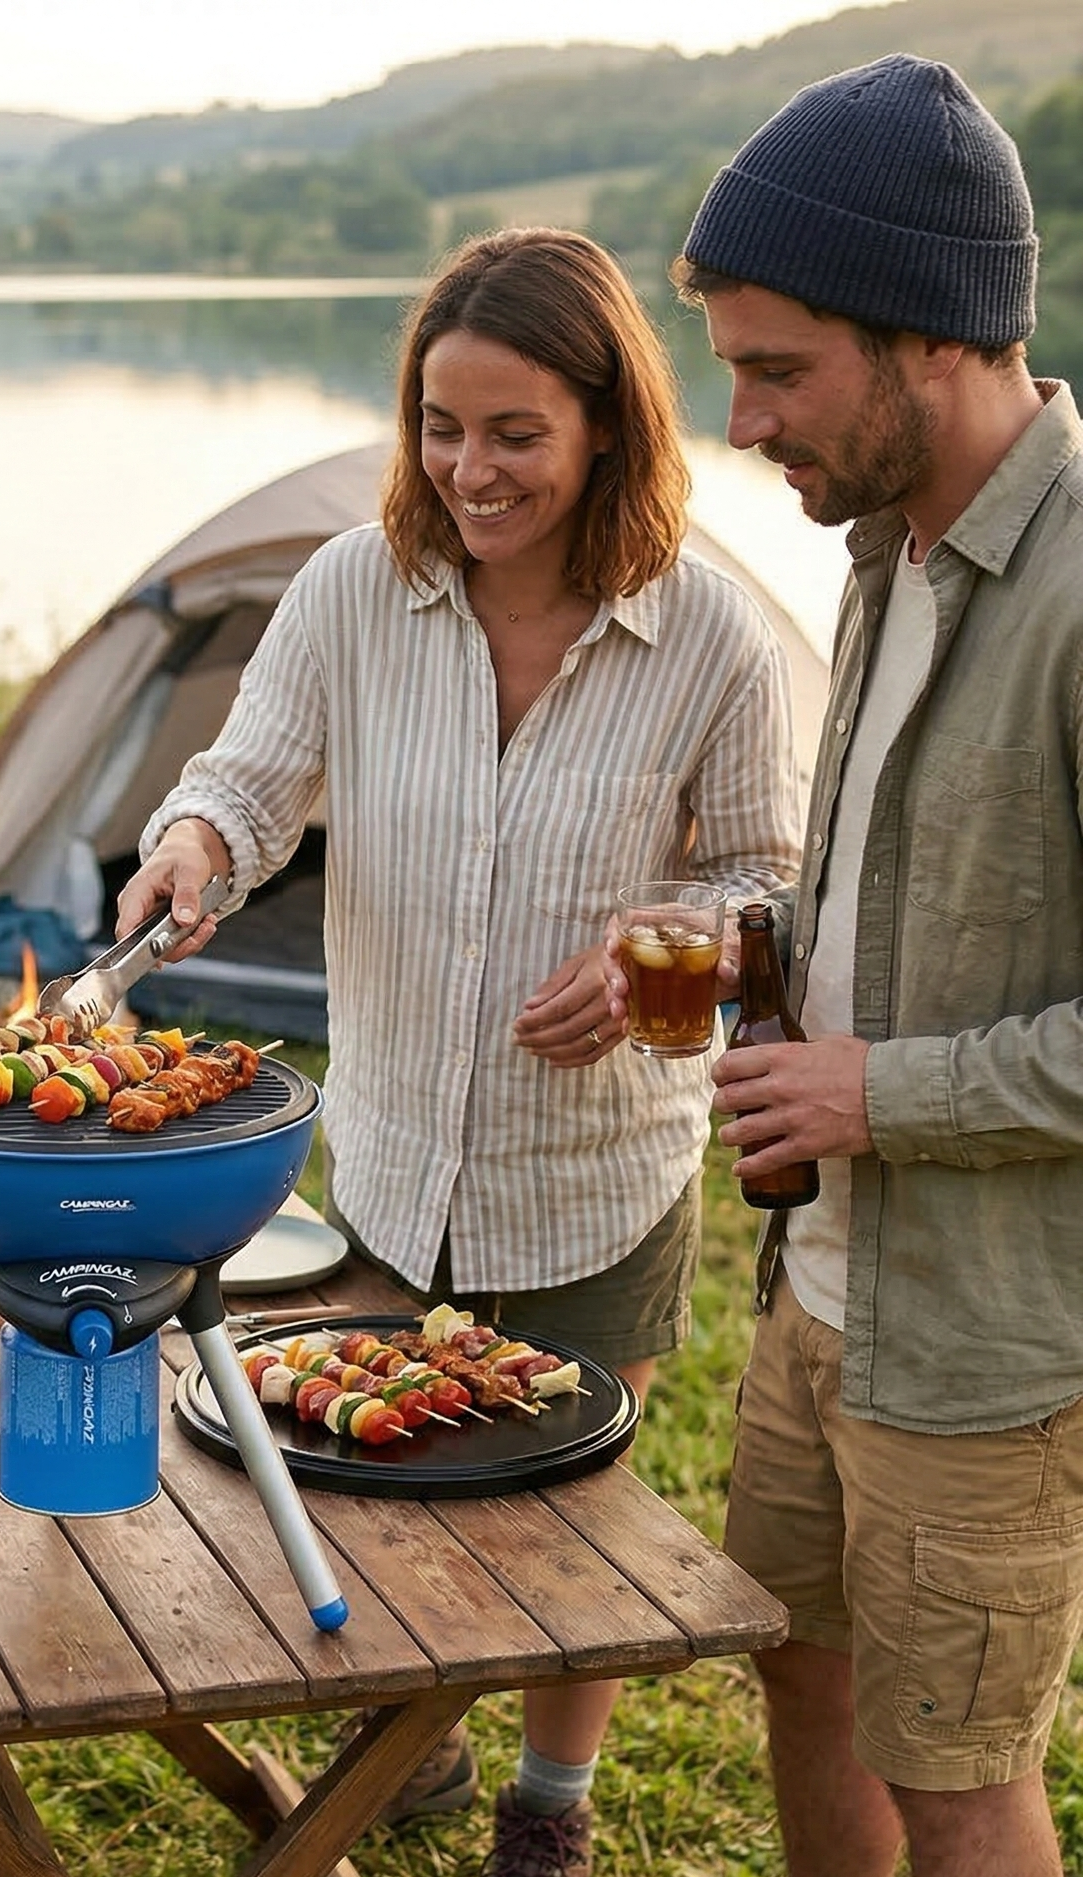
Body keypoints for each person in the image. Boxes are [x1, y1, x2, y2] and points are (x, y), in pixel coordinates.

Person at [117, 228, 800, 1877]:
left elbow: (770, 883)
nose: (467, 467)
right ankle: (398, 1745)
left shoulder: (705, 632)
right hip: (395, 1149)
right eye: (440, 424)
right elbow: (249, 772)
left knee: (572, 1511)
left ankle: (545, 1806)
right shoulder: (356, 587)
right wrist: (192, 848)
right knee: (367, 1467)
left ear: (602, 427)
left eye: (513, 432)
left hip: (595, 1170)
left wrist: (686, 946)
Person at [667, 54, 1083, 1877]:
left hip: (985, 1345)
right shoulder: (879, 548)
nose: (739, 418)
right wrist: (758, 972)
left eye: (774, 367)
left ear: (930, 339)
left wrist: (872, 1089)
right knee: (801, 1677)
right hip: (815, 1286)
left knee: (955, 1778)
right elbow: (902, 888)